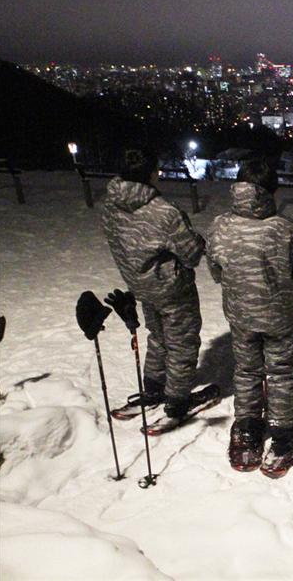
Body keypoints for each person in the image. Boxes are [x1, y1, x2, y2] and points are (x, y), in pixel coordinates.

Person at [206, 159, 293, 478]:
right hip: (281, 313)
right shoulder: (285, 227)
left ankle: (248, 432)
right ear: (272, 190)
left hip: (240, 313)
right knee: (280, 371)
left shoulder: (219, 226)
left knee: (247, 369)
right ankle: (282, 439)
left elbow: (215, 270)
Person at [102, 147, 206, 421]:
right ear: (151, 173)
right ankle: (177, 400)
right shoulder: (164, 212)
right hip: (172, 288)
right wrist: (198, 240)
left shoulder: (111, 205)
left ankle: (154, 388)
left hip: (140, 285)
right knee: (181, 342)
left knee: (158, 337)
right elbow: (192, 254)